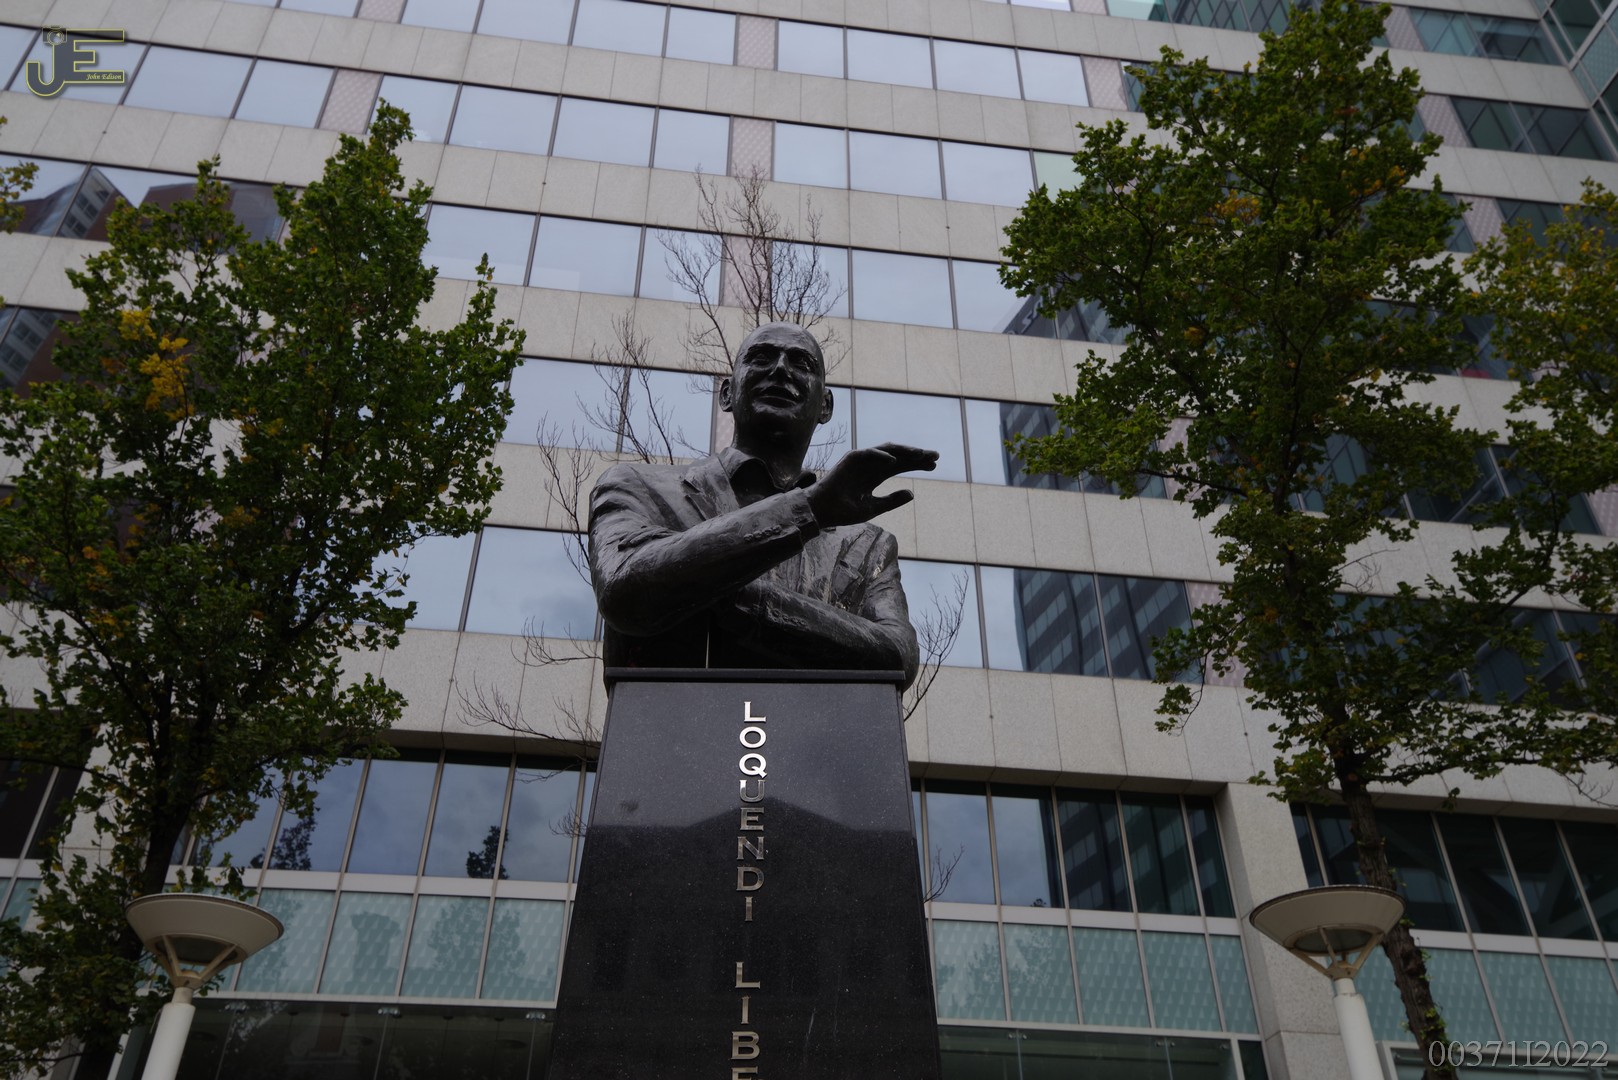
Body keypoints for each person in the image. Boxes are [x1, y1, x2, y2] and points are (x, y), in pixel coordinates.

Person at [588, 322, 938, 687]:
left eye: (801, 363)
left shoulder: (867, 544)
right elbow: (624, 591)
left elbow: (897, 656)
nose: (781, 369)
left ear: (825, 406)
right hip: (670, 719)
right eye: (761, 357)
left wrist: (714, 588)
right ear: (727, 393)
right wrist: (810, 509)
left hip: (810, 723)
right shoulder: (639, 486)